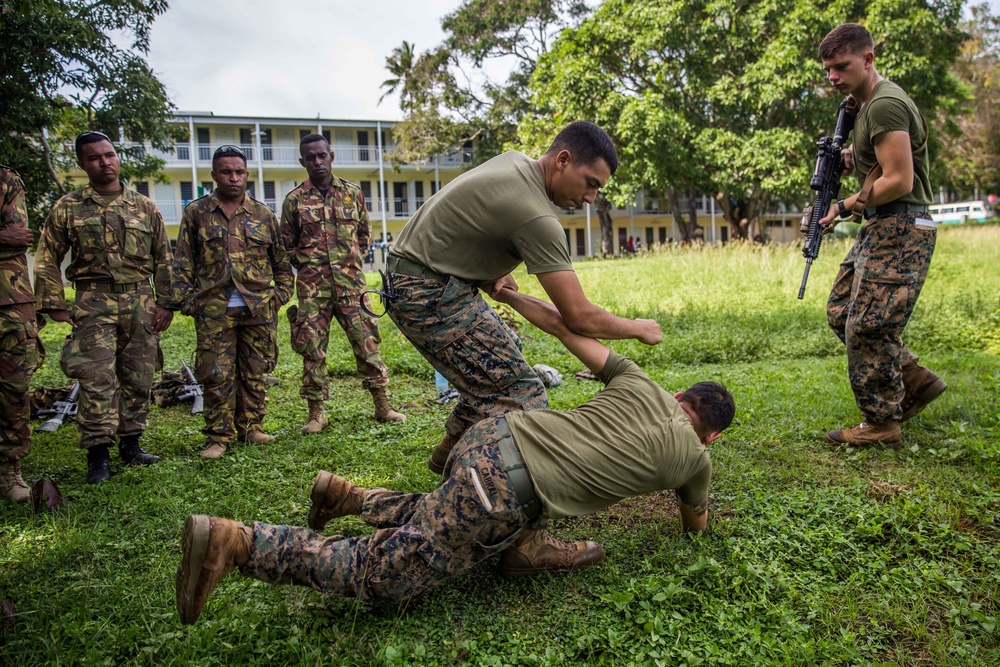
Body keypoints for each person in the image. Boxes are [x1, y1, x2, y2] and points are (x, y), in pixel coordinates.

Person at [175, 286, 735, 624]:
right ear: (709, 435)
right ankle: (243, 543)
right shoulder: (697, 461)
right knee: (384, 577)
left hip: (489, 435)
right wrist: (697, 513)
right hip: (503, 491)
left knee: (449, 508)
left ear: (681, 396)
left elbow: (567, 326)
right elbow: (695, 523)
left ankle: (349, 495)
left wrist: (511, 295)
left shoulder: (639, 380)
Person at [384, 121, 662, 475]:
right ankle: (476, 484)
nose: (591, 198)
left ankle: (445, 463)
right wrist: (638, 328)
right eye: (590, 183)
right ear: (563, 159)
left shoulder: (515, 161)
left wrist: (485, 262)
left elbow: (471, 214)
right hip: (426, 291)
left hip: (419, 277)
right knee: (521, 393)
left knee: (495, 370)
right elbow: (579, 316)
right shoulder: (535, 216)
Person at [817, 23, 945, 446]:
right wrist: (858, 154)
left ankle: (882, 422)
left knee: (869, 326)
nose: (833, 76)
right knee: (841, 310)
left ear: (868, 59)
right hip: (883, 225)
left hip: (901, 226)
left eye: (841, 66)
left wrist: (844, 205)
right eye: (828, 69)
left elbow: (901, 180)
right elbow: (885, 162)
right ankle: (913, 380)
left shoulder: (884, 104)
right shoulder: (866, 105)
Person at [34, 132, 175, 484]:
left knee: (139, 375)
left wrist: (167, 302)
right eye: (95, 157)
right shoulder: (68, 207)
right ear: (83, 164)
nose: (105, 162)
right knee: (96, 378)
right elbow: (46, 257)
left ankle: (131, 444)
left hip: (140, 301)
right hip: (92, 301)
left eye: (110, 154)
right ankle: (98, 455)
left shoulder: (143, 206)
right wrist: (54, 303)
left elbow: (164, 257)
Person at [173, 145, 293, 459]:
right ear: (214, 175)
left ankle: (252, 427)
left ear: (247, 175)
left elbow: (281, 262)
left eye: (239, 172)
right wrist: (188, 303)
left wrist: (279, 294)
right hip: (214, 308)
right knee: (216, 374)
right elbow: (183, 262)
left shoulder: (263, 214)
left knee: (255, 370)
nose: (233, 178)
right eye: (226, 172)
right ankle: (218, 437)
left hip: (257, 307)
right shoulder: (196, 213)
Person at [280, 134, 404, 434]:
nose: (318, 162)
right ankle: (316, 413)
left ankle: (382, 404)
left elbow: (364, 236)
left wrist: (349, 264)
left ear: (331, 156)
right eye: (311, 157)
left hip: (352, 287)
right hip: (313, 290)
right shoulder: (294, 200)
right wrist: (310, 267)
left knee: (367, 344)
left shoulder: (352, 193)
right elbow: (286, 246)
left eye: (322, 155)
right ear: (303, 161)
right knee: (312, 350)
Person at [0, 166, 40, 501]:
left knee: (14, 385)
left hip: (8, 299)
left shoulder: (6, 178)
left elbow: (19, 238)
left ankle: (9, 469)